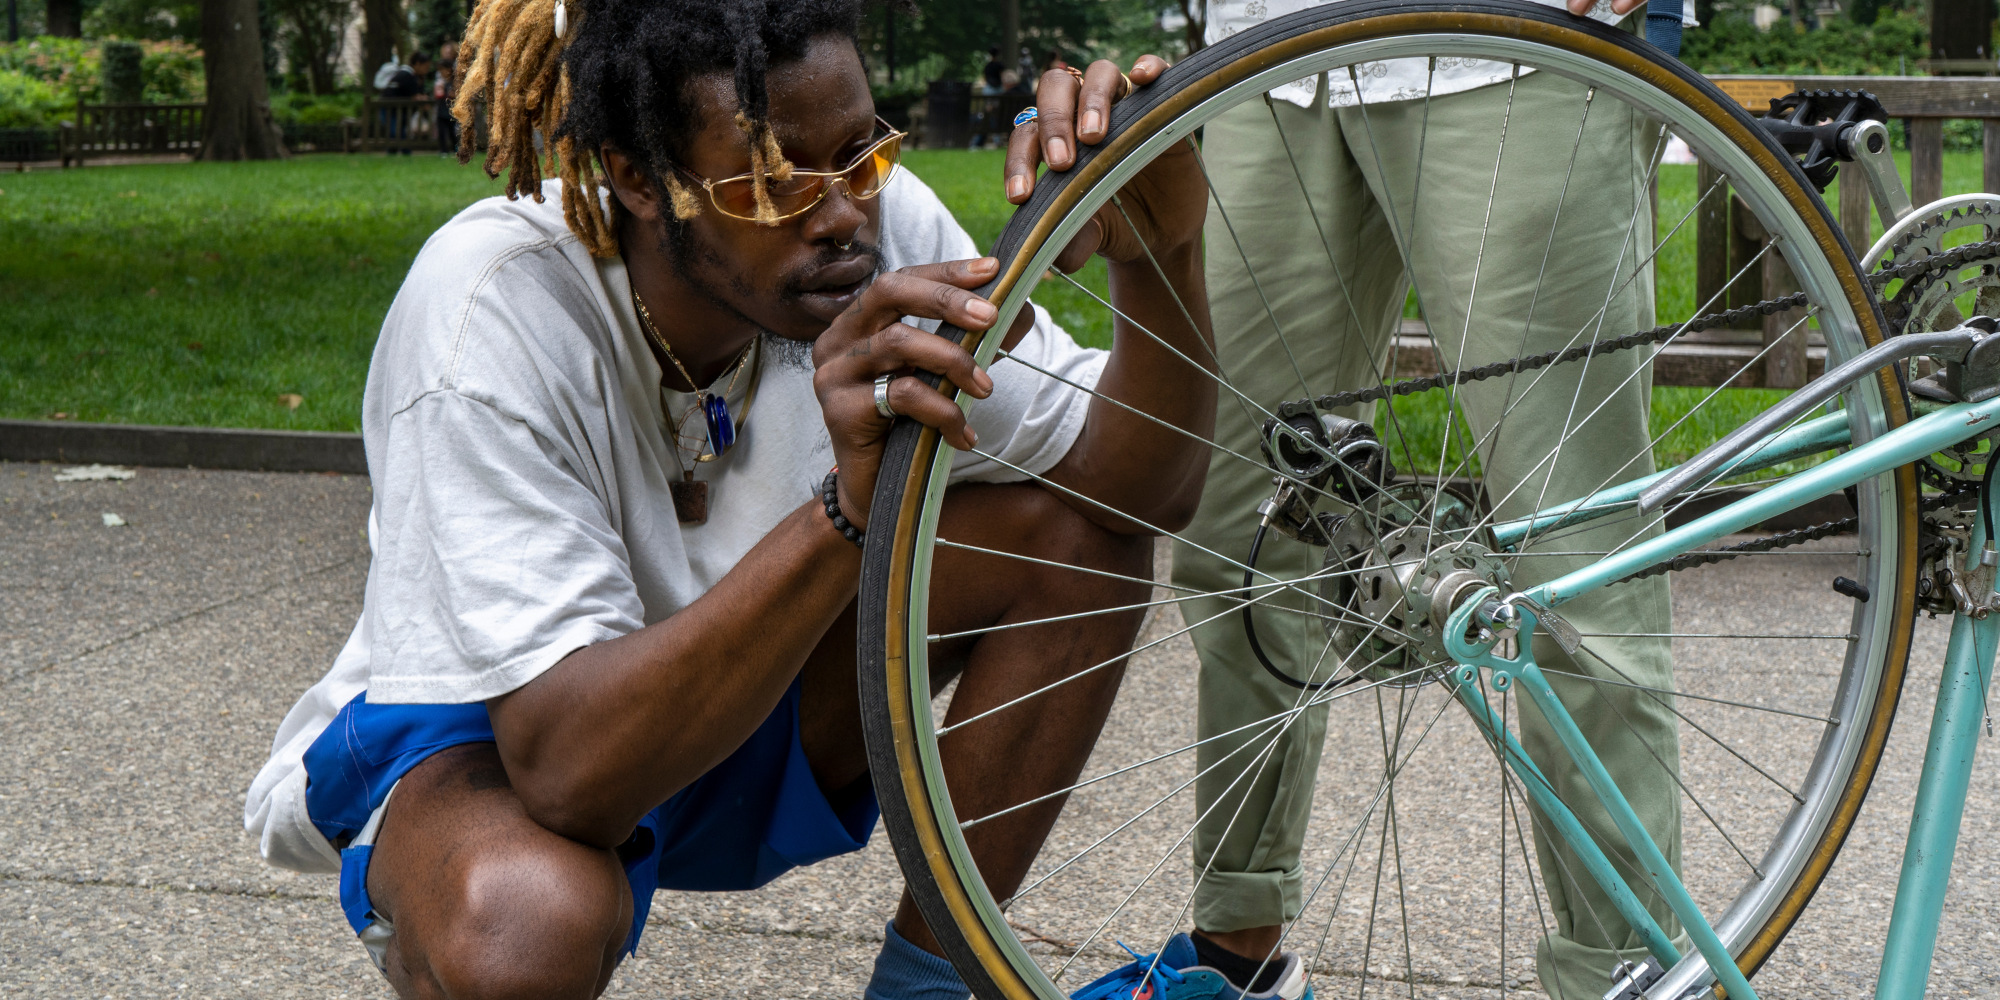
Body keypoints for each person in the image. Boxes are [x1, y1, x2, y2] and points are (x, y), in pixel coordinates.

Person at [241, 3, 1208, 1000]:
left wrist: (1162, 261)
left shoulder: (871, 224)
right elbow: (570, 777)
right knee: (525, 924)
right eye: (769, 182)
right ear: (635, 174)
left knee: (1070, 536)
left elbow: (1138, 488)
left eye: (859, 154)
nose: (839, 215)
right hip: (502, 734)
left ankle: (929, 983)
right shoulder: (490, 308)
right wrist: (848, 507)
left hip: (737, 698)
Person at [1137, 1, 1695, 998]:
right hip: (1277, 51)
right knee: (1236, 539)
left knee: (1575, 562)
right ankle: (1235, 954)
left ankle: (1621, 971)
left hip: (1515, 49)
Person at [378, 51, 433, 155]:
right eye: (425, 67)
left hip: (399, 111)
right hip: (390, 109)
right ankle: (405, 152)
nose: (427, 70)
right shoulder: (406, 75)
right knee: (396, 131)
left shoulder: (416, 77)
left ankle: (393, 153)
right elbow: (415, 95)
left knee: (397, 131)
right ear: (417, 64)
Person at [434, 40, 460, 155]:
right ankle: (443, 150)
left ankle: (456, 149)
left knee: (452, 131)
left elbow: (455, 94)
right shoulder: (440, 81)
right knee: (441, 131)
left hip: (451, 110)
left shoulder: (453, 82)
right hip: (441, 110)